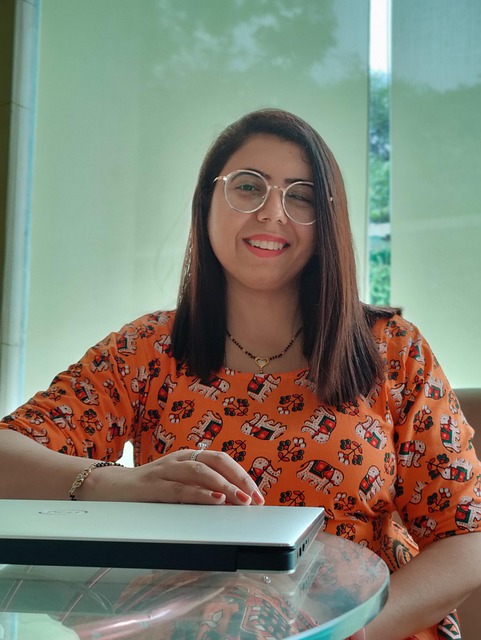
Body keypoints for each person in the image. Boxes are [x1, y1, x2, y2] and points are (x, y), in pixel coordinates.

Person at [0, 108, 480, 640]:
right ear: (206, 203)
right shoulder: (148, 349)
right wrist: (116, 482)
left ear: (327, 222)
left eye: (301, 196)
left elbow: (467, 536)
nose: (272, 212)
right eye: (248, 187)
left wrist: (347, 634)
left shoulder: (392, 349)